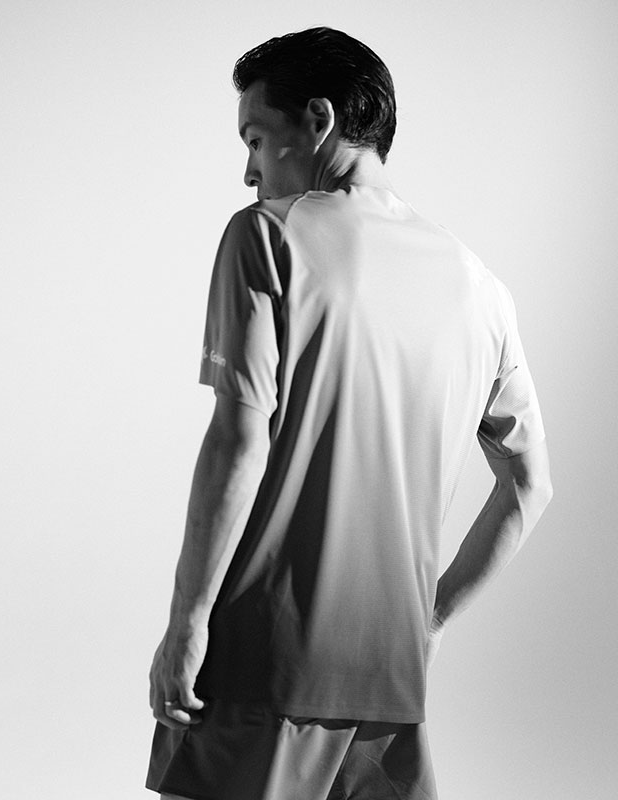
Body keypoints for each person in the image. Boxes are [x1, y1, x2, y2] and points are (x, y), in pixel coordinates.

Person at [147, 26, 552, 800]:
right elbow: (530, 485)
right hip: (390, 683)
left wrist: (188, 621)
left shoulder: (266, 235)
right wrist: (428, 620)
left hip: (261, 665)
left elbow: (239, 440)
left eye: (256, 138)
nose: (248, 170)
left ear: (319, 119)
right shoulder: (481, 288)